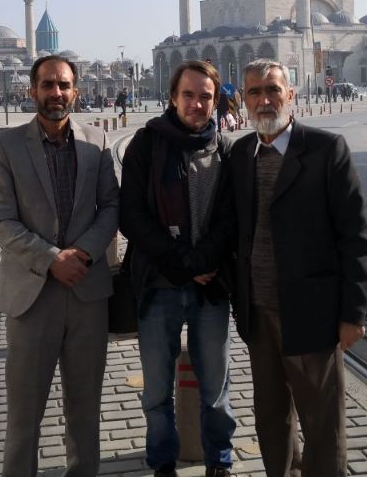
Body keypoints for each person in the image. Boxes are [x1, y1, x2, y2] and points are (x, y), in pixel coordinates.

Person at [202, 59, 367, 476]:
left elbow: (355, 238)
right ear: (242, 100)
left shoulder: (325, 150)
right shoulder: (241, 153)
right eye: (254, 92)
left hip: (311, 314)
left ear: (290, 95)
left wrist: (353, 314)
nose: (264, 100)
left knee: (322, 424)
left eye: (272, 90)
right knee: (271, 417)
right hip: (258, 314)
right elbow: (232, 228)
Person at [0, 55, 119, 477]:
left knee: (85, 412)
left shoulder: (95, 142)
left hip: (87, 294)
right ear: (33, 91)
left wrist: (83, 254)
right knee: (24, 417)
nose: (56, 93)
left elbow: (111, 206)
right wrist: (51, 259)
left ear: (75, 92)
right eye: (47, 85)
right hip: (33, 298)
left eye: (63, 85)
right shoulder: (6, 146)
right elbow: (2, 220)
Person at [119, 60, 236, 477]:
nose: (197, 103)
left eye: (205, 96)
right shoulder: (146, 145)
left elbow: (230, 217)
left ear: (215, 100)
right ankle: (163, 462)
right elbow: (131, 216)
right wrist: (181, 262)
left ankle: (218, 460)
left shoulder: (224, 148)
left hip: (210, 286)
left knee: (216, 386)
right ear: (173, 97)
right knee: (155, 389)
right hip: (158, 286)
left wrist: (202, 262)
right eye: (188, 94)